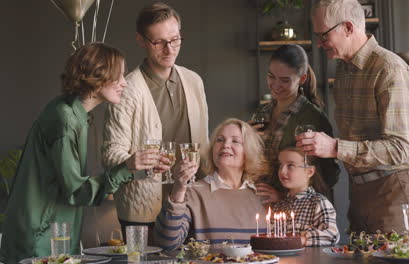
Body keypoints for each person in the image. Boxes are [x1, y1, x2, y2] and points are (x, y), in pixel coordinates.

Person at [0, 43, 157, 263]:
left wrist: (137, 169)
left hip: (53, 232)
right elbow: (76, 191)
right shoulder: (65, 120)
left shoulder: (74, 113)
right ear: (97, 75)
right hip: (40, 237)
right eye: (118, 75)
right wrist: (127, 167)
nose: (124, 82)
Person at [297, 0, 409, 233]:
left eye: (323, 35)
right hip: (359, 188)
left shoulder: (389, 69)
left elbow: (400, 149)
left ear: (348, 28)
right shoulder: (344, 69)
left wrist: (335, 148)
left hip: (395, 185)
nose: (319, 43)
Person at [102, 2, 209, 245]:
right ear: (140, 40)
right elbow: (110, 154)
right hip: (141, 210)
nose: (169, 49)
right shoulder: (126, 90)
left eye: (175, 39)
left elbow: (203, 143)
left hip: (189, 204)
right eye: (158, 42)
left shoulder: (194, 81)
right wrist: (135, 161)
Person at [154, 119, 268, 250]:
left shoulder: (259, 195)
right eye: (220, 140)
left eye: (235, 141)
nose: (225, 145)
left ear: (248, 151)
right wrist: (179, 189)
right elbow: (167, 243)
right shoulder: (192, 192)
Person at [250, 44, 340, 203]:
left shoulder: (313, 119)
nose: (276, 85)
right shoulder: (261, 113)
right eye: (271, 76)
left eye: (285, 80)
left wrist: (284, 198)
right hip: (260, 207)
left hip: (297, 213)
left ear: (302, 78)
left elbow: (328, 178)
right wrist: (246, 138)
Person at [273, 147, 339, 246]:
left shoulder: (318, 202)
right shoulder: (279, 206)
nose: (282, 171)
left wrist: (297, 241)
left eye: (290, 165)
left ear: (309, 171)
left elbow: (331, 235)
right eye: (280, 165)